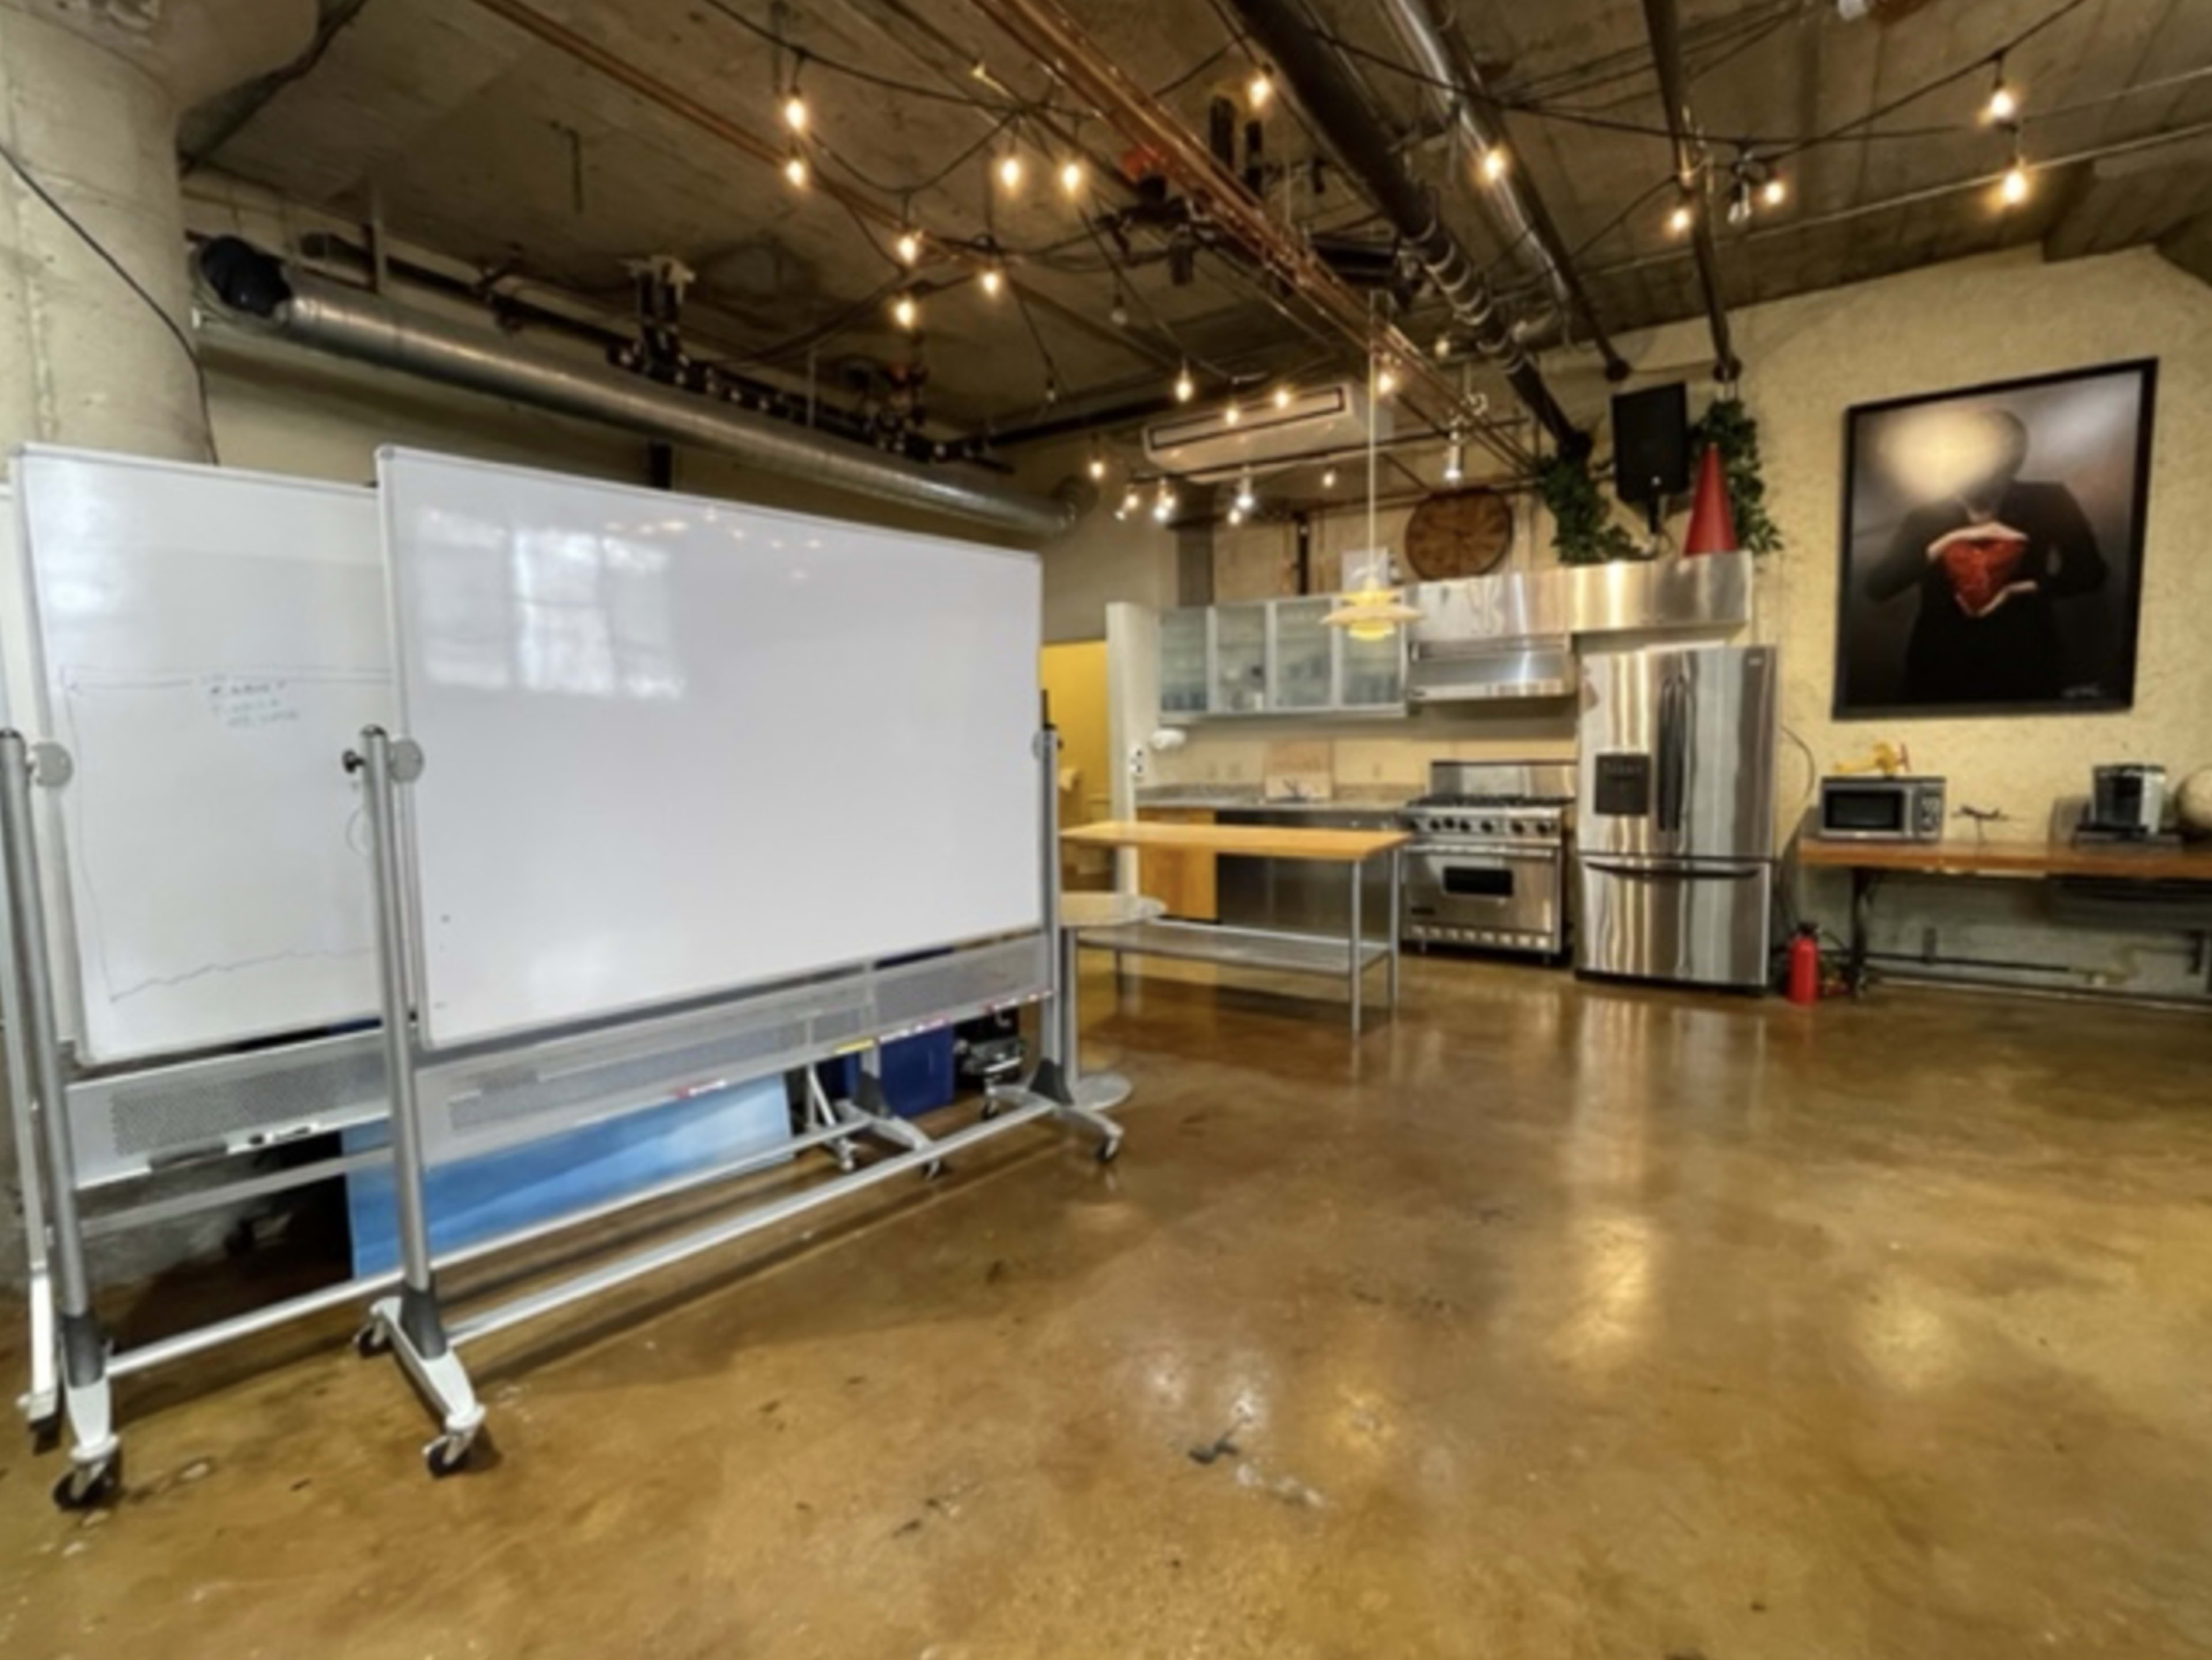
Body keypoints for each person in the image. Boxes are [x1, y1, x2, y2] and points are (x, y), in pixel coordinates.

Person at [1861, 406, 2107, 706]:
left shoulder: (2048, 501)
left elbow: (2090, 573)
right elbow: (1879, 587)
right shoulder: (1925, 518)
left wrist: (2018, 590)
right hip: (1939, 667)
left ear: (2010, 465)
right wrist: (1950, 540)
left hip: (2024, 661)